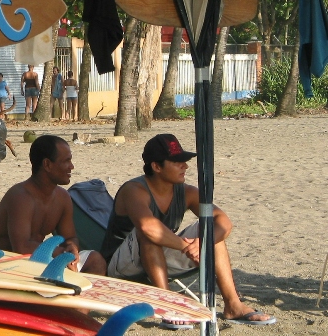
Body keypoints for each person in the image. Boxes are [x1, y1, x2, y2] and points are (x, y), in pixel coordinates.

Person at [101, 133, 277, 329]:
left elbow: (224, 221)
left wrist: (203, 244)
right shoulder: (134, 190)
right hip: (120, 265)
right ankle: (166, 305)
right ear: (156, 166)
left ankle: (233, 305)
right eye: (177, 162)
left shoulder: (187, 192)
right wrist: (187, 246)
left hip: (157, 257)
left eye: (184, 161)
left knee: (210, 229)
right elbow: (148, 228)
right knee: (149, 232)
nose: (185, 166)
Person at [0, 135, 106, 275]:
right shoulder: (21, 197)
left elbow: (70, 237)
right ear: (47, 164)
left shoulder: (62, 198)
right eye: (66, 161)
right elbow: (21, 247)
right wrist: (61, 252)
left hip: (38, 261)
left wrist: (72, 250)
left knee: (96, 261)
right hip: (5, 265)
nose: (72, 166)